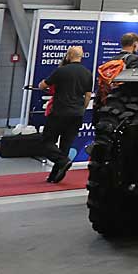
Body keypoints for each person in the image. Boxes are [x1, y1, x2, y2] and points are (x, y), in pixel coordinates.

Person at [41, 46, 94, 184]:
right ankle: (54, 175)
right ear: (81, 56)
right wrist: (82, 108)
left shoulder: (61, 71)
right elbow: (88, 95)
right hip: (77, 114)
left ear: (68, 56)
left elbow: (43, 85)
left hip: (59, 112)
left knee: (46, 141)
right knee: (66, 145)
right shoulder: (87, 73)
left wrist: (42, 84)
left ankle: (62, 161)